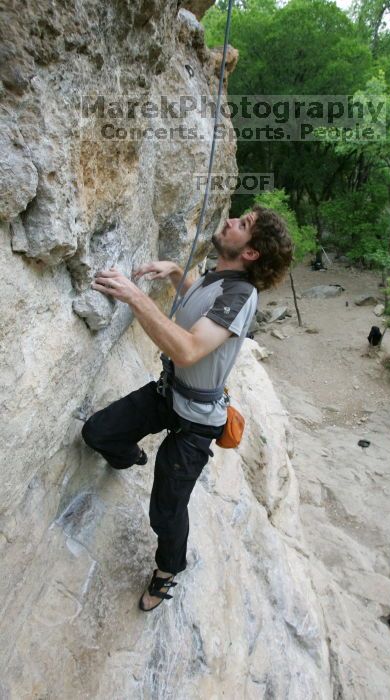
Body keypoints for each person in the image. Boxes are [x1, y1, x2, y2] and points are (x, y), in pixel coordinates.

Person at [81, 205, 293, 611]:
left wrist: (133, 295)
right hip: (169, 393)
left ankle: (168, 569)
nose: (231, 221)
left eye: (242, 224)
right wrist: (178, 273)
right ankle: (131, 457)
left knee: (166, 511)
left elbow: (189, 348)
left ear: (251, 252)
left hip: (196, 422)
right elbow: (203, 303)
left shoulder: (241, 294)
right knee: (98, 433)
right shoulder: (223, 278)